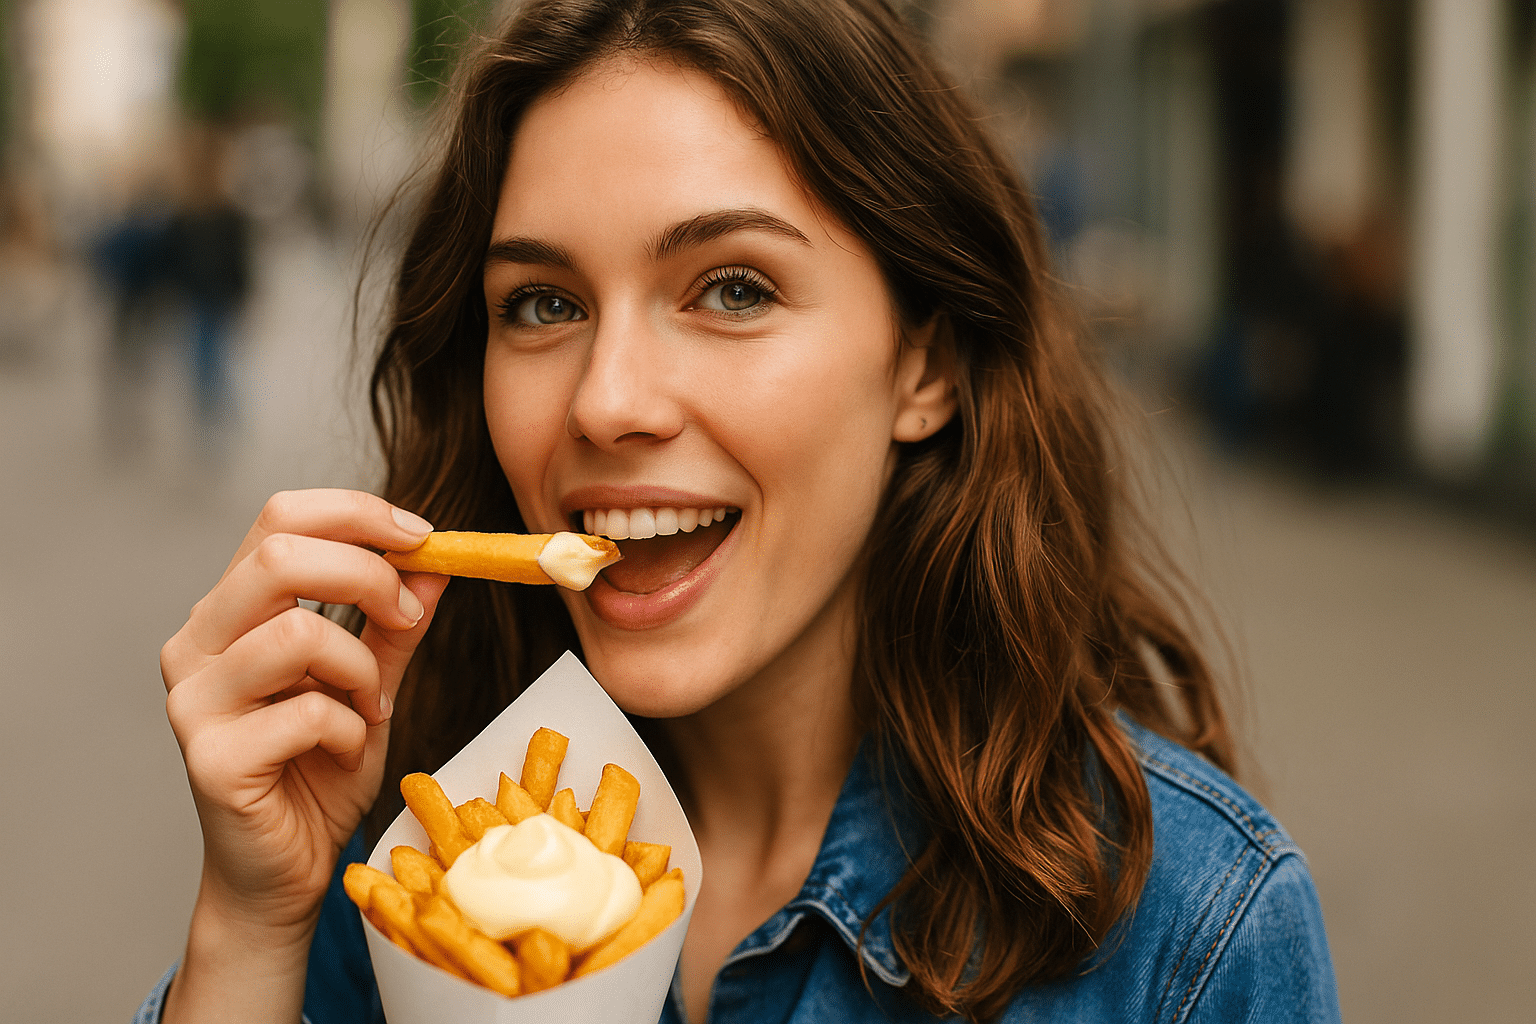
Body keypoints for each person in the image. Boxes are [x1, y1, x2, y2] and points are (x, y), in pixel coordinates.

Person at [138, 1, 1340, 1021]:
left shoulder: (1186, 938)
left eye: (731, 287)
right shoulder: (409, 866)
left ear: (922, 364)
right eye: (543, 305)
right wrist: (249, 926)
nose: (606, 403)